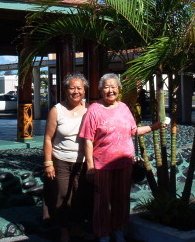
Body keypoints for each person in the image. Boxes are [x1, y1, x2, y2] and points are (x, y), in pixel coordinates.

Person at [78, 73, 162, 242]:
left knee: (122, 199)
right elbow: (87, 139)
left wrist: (154, 127)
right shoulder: (94, 110)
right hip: (102, 164)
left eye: (113, 87)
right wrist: (90, 166)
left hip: (124, 162)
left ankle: (118, 230)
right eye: (106, 87)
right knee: (102, 201)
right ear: (101, 90)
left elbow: (134, 131)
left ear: (119, 89)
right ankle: (102, 233)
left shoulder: (124, 107)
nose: (110, 90)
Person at [43, 72, 93, 242]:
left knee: (80, 197)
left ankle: (77, 228)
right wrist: (48, 163)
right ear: (65, 90)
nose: (76, 91)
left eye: (79, 88)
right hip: (61, 161)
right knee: (63, 196)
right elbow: (48, 139)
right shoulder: (56, 110)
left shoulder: (90, 110)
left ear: (84, 91)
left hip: (83, 162)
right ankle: (64, 231)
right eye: (72, 88)